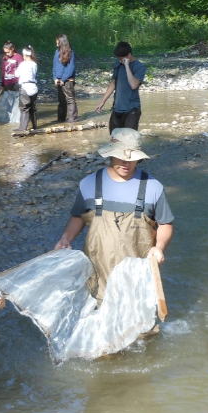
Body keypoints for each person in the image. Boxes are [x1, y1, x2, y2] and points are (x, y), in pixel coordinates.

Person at [54, 128, 174, 307]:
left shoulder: (153, 187)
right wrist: (65, 238)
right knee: (99, 320)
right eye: (120, 157)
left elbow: (165, 223)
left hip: (138, 275)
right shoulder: (88, 184)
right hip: (98, 273)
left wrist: (159, 247)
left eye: (132, 159)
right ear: (110, 154)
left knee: (141, 326)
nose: (126, 163)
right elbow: (78, 217)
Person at [95, 42, 146, 133]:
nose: (120, 61)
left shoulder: (139, 67)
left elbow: (134, 85)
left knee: (129, 140)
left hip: (132, 109)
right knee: (114, 139)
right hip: (117, 108)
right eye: (118, 59)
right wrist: (102, 102)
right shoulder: (118, 64)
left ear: (129, 55)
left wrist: (126, 66)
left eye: (122, 59)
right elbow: (113, 83)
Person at [54, 34, 79, 123]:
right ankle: (61, 119)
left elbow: (70, 68)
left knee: (70, 99)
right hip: (58, 80)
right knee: (61, 100)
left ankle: (72, 118)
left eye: (58, 42)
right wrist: (55, 78)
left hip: (68, 81)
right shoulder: (57, 52)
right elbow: (54, 66)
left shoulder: (70, 52)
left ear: (62, 42)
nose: (56, 44)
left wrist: (63, 79)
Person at [14, 45, 38, 132]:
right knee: (32, 108)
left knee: (24, 108)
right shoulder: (34, 64)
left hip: (25, 88)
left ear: (24, 55)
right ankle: (35, 126)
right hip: (34, 88)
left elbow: (16, 74)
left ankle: (22, 128)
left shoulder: (23, 64)